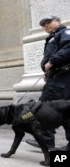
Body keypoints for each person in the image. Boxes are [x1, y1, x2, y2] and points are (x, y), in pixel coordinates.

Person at [26, 16, 70, 151]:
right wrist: (47, 74)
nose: (46, 26)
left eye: (48, 23)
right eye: (44, 25)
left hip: (60, 79)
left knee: (44, 108)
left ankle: (46, 140)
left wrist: (52, 61)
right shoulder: (54, 36)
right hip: (59, 77)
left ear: (58, 21)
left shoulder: (64, 32)